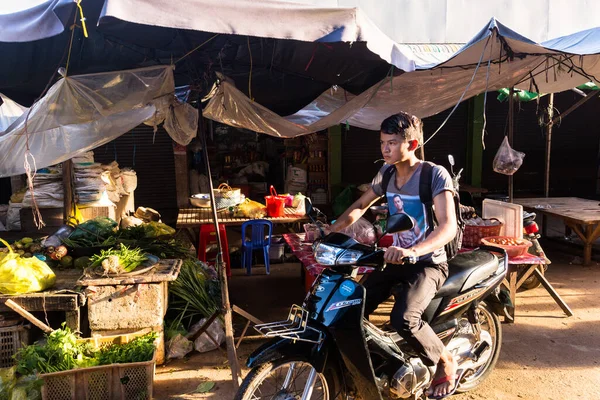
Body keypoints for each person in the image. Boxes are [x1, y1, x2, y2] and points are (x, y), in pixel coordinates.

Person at [330, 112, 458, 399]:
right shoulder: (386, 174)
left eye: (391, 143)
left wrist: (413, 250)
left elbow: (448, 226)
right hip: (394, 259)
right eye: (382, 143)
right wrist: (331, 230)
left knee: (404, 318)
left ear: (411, 145)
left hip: (428, 263)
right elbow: (360, 205)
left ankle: (445, 360)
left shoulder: (433, 175)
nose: (384, 149)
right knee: (351, 307)